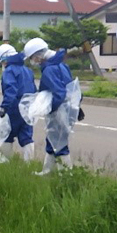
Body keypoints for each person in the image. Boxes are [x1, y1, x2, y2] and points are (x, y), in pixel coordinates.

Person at [22, 36, 84, 175]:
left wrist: (50, 108)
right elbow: (72, 87)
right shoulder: (62, 65)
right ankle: (47, 171)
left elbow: (59, 93)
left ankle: (67, 176)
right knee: (52, 141)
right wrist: (78, 106)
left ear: (38, 55)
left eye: (32, 58)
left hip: (58, 111)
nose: (33, 61)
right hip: (69, 108)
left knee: (60, 144)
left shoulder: (49, 70)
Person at [0, 43, 36, 161]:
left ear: (5, 59)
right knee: (26, 136)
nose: (3, 65)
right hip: (28, 108)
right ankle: (29, 164)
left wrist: (4, 107)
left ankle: (6, 162)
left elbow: (11, 90)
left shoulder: (9, 71)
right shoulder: (27, 70)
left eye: (2, 62)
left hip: (14, 108)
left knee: (6, 134)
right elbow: (33, 89)